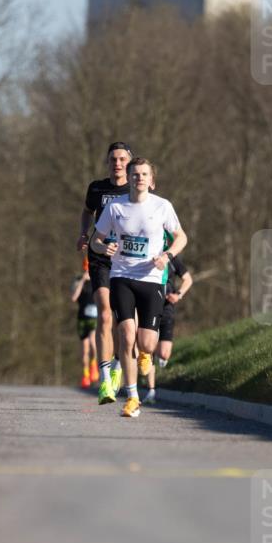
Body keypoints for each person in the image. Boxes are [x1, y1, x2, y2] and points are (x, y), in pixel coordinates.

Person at [90, 157, 187, 418]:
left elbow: (181, 237)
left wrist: (167, 256)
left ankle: (146, 353)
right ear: (129, 178)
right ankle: (132, 398)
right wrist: (103, 247)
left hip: (152, 279)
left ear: (151, 181)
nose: (139, 178)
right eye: (135, 174)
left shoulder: (162, 206)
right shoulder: (115, 207)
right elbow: (96, 240)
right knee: (126, 334)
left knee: (146, 342)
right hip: (121, 276)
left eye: (144, 174)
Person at [76, 142, 133, 404]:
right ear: (107, 162)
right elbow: (87, 212)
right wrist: (83, 234)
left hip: (128, 261)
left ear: (129, 163)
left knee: (124, 320)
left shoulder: (135, 188)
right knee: (105, 314)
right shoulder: (97, 188)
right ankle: (104, 379)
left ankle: (119, 366)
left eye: (122, 159)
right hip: (99, 256)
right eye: (113, 159)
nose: (117, 163)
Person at [143, 239, 193, 404]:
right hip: (150, 306)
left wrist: (178, 295)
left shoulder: (173, 259)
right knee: (149, 348)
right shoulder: (147, 255)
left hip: (167, 308)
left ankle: (159, 357)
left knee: (163, 353)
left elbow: (188, 279)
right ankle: (151, 390)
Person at [70, 258, 99, 388]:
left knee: (93, 343)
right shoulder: (78, 280)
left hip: (94, 319)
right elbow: (74, 298)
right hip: (82, 318)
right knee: (85, 350)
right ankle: (86, 374)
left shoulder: (98, 280)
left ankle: (94, 365)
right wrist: (83, 280)